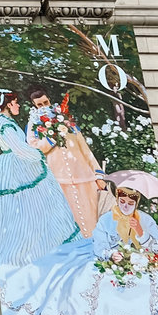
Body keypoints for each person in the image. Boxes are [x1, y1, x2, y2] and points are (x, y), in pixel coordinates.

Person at [0, 182, 158, 315]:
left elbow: (157, 247)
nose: (125, 206)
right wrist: (111, 254)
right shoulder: (108, 219)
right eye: (122, 202)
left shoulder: (145, 220)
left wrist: (140, 232)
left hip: (139, 257)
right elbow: (100, 245)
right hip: (114, 257)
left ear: (136, 204)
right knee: (82, 277)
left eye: (130, 203)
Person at [0, 89, 80, 270]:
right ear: (8, 104)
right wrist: (39, 154)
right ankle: (32, 253)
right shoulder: (4, 124)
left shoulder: (6, 121)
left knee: (40, 209)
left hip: (20, 165)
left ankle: (46, 246)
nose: (19, 105)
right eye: (16, 102)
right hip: (17, 168)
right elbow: (20, 149)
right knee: (30, 211)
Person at [25, 86, 106, 237]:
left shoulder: (65, 118)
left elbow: (84, 148)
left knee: (92, 215)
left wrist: (98, 175)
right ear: (34, 106)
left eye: (46, 102)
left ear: (50, 100)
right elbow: (34, 149)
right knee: (69, 219)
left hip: (83, 175)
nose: (44, 107)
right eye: (39, 105)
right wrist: (50, 139)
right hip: (58, 178)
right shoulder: (33, 124)